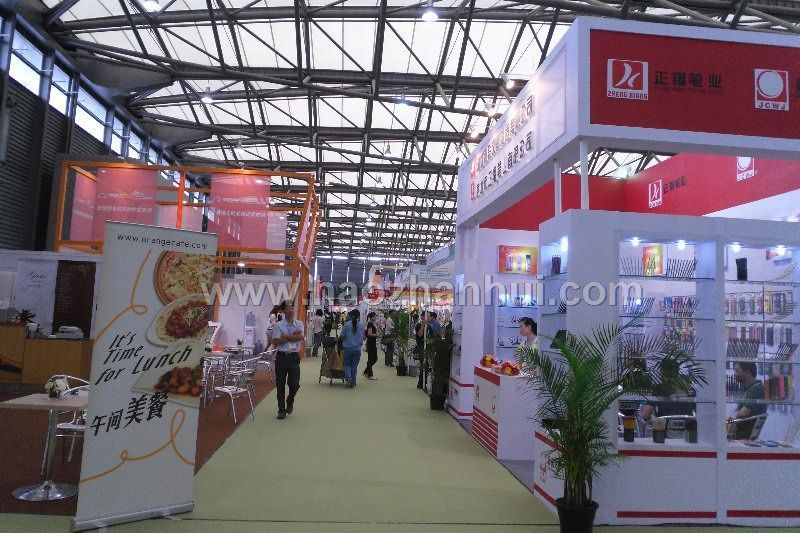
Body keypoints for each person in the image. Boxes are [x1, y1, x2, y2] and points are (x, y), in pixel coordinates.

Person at [272, 301, 304, 420]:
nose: (291, 311)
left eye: (292, 308)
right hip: (281, 357)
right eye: (288, 309)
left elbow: (301, 337)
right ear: (283, 311)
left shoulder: (299, 324)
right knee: (280, 384)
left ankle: (290, 400)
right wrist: (293, 336)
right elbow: (276, 341)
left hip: (294, 357)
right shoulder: (278, 325)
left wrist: (285, 336)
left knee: (295, 384)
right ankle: (281, 410)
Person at [728, 361, 767, 439]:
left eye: (737, 371)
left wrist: (729, 420)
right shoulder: (751, 389)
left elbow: (744, 412)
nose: (735, 374)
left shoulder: (756, 389)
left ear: (747, 372)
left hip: (740, 436)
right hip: (738, 434)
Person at [339, 309, 365, 388]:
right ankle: (353, 382)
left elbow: (342, 336)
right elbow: (363, 336)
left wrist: (337, 339)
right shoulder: (361, 325)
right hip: (357, 348)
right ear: (359, 316)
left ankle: (349, 377)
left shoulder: (347, 324)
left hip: (348, 348)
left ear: (350, 316)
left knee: (346, 364)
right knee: (354, 366)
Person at [363, 312, 380, 380]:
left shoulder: (371, 324)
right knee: (372, 358)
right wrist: (377, 335)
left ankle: (367, 371)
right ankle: (369, 373)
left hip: (372, 342)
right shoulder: (370, 324)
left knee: (373, 358)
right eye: (374, 316)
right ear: (371, 317)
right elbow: (369, 334)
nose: (375, 318)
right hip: (371, 343)